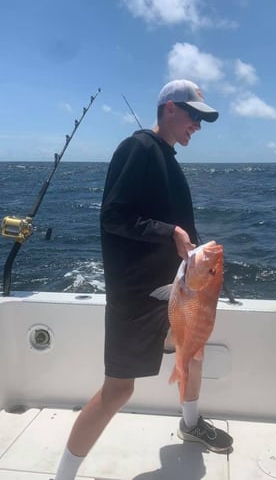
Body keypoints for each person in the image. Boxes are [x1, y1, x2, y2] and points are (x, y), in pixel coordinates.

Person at [54, 79, 233, 480]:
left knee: (194, 353)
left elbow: (170, 221)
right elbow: (113, 217)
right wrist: (169, 233)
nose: (198, 127)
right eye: (194, 116)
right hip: (136, 297)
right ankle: (63, 475)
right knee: (119, 390)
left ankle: (190, 423)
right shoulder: (136, 148)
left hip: (175, 290)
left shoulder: (167, 157)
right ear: (170, 108)